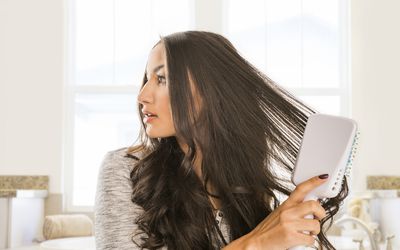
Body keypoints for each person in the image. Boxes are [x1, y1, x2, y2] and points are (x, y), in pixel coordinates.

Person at [94, 31, 348, 250]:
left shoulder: (248, 188)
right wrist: (257, 243)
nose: (142, 95)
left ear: (212, 92)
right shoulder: (126, 169)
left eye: (162, 79)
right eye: (147, 79)